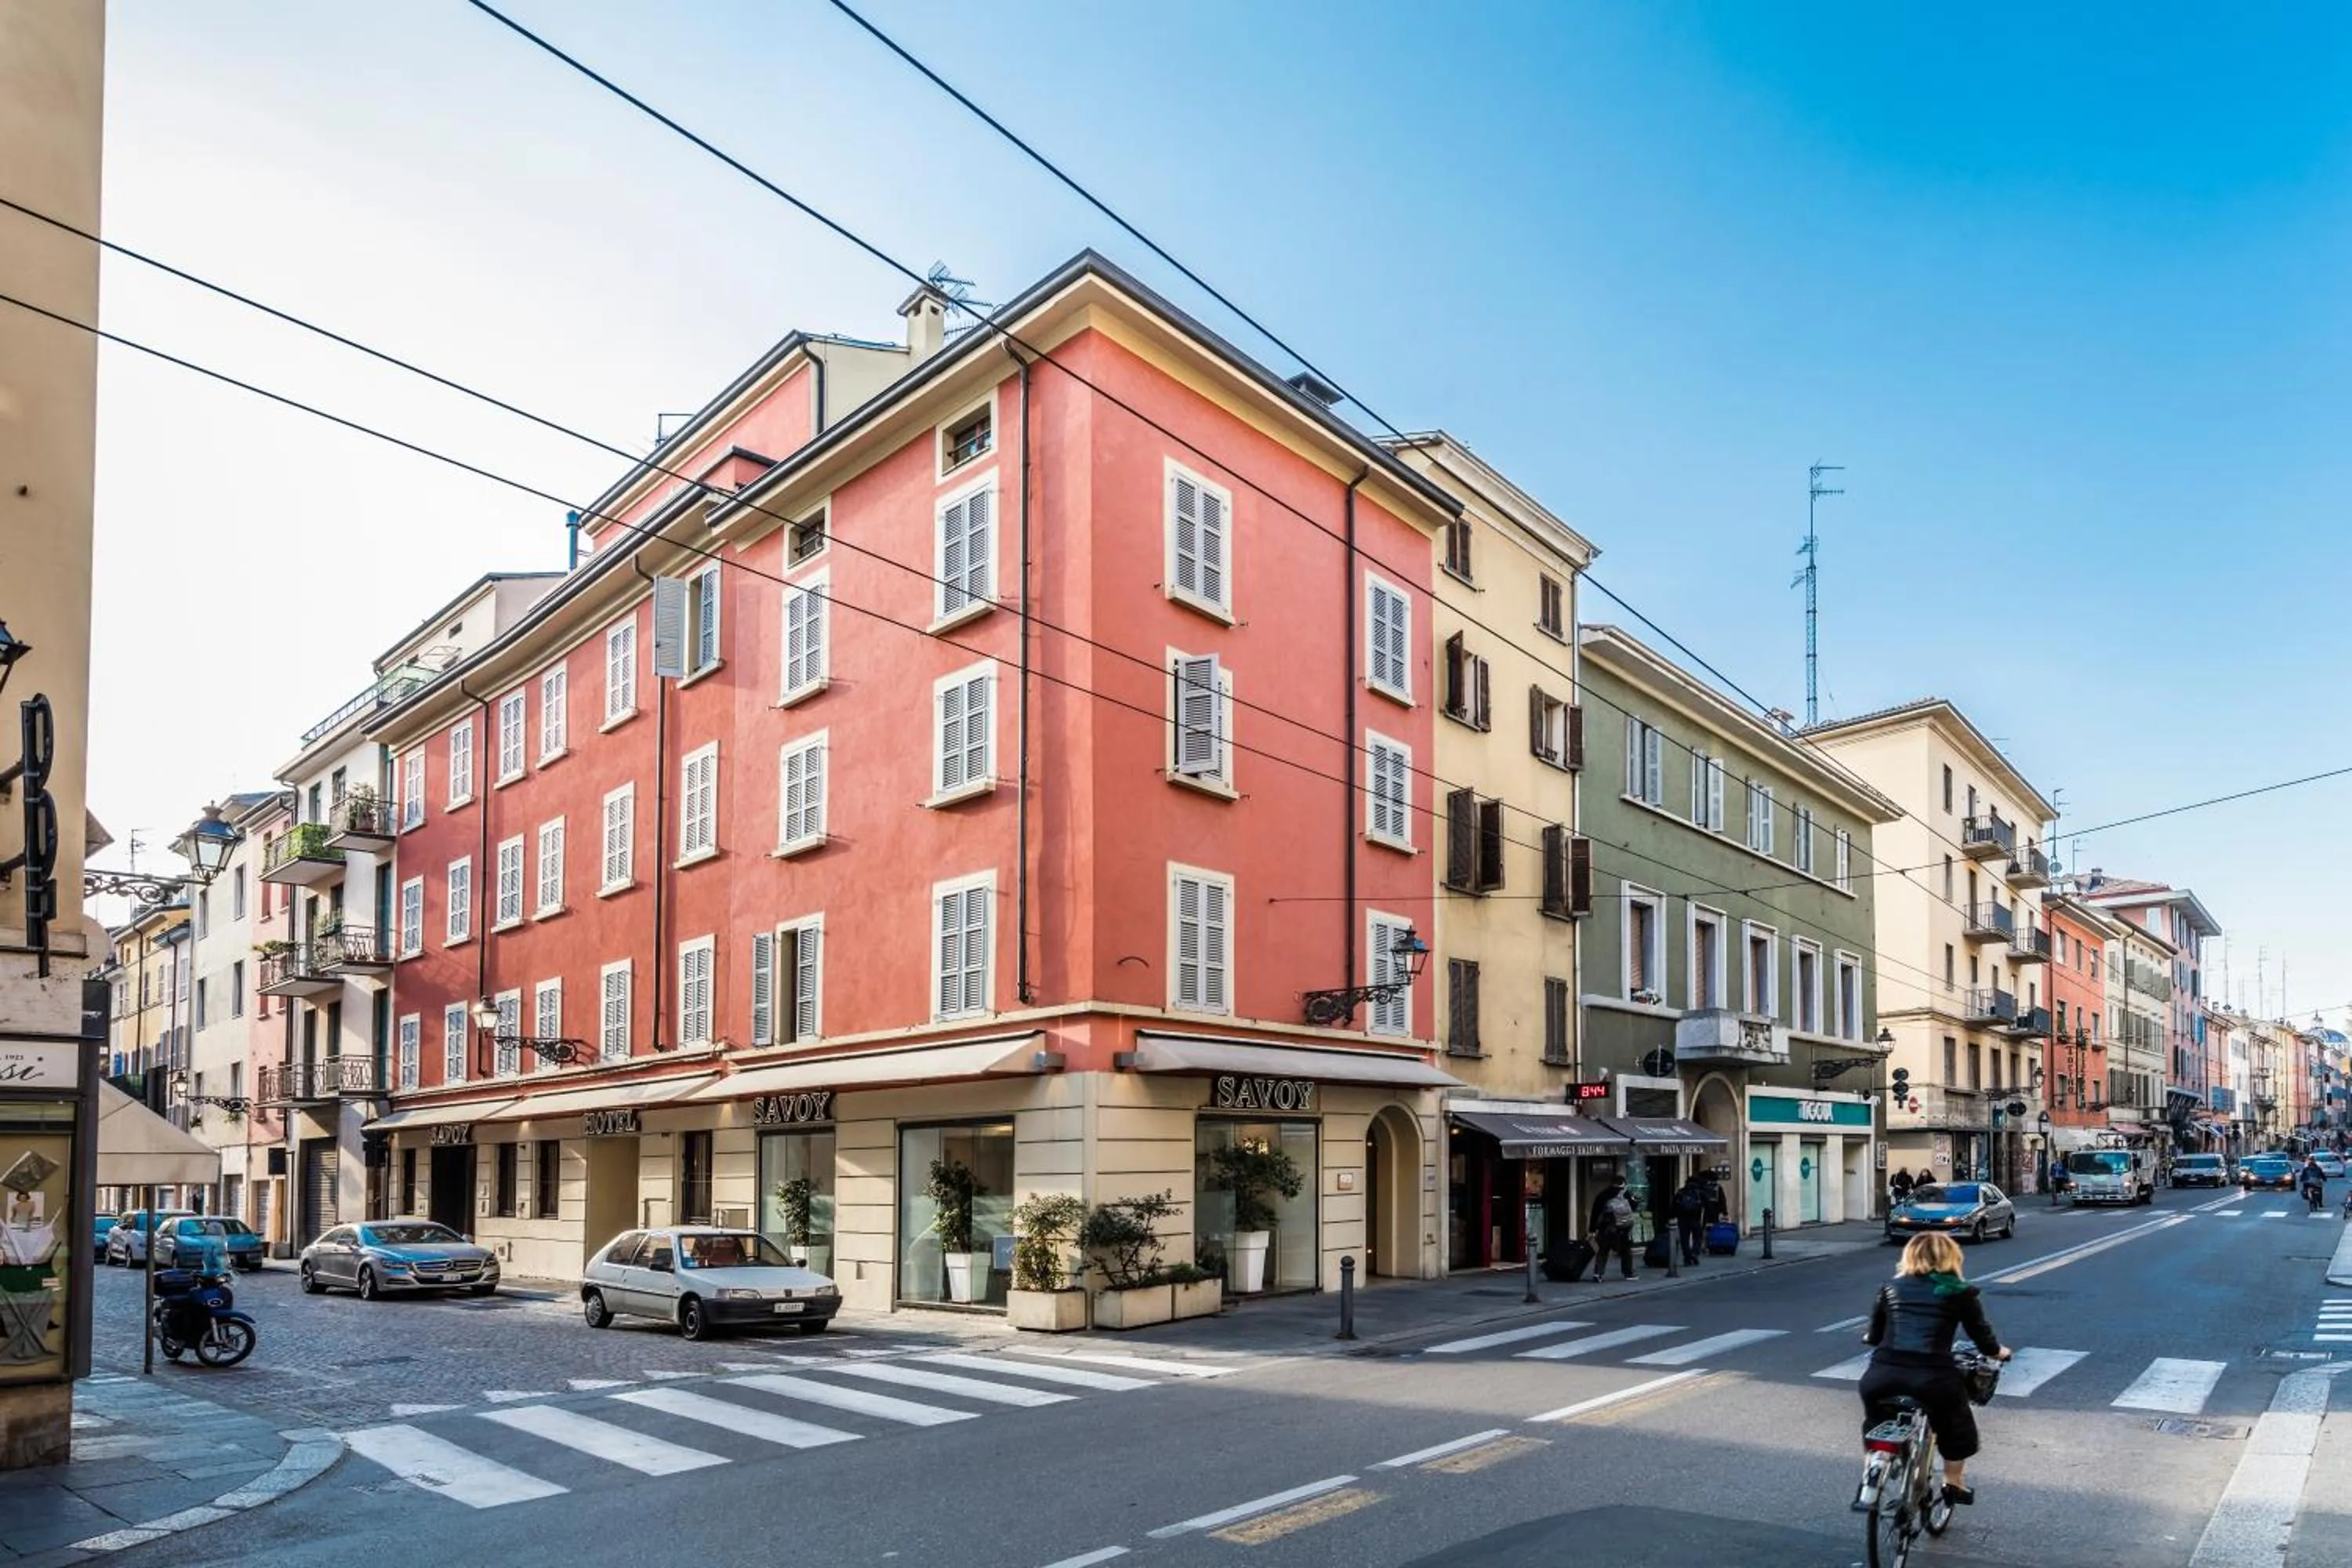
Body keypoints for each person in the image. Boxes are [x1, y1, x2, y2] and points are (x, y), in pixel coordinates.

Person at [1858, 1231, 2011, 1509]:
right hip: (1932, 1379)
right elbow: (1982, 1336)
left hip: (1881, 1377)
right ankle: (1953, 1482)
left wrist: (1871, 1337)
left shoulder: (1890, 1287)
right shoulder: (1959, 1291)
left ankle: (1875, 1464)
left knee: (1876, 1425)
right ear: (1951, 1257)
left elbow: (1875, 1335)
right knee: (1957, 1428)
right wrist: (1998, 1352)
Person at [1588, 1178, 1637, 1282]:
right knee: (1626, 1251)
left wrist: (1592, 1229)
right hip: (1622, 1228)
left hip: (1606, 1228)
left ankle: (1598, 1273)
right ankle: (1628, 1274)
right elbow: (1633, 1207)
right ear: (1623, 1184)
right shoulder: (1625, 1194)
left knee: (1603, 1251)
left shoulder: (1603, 1195)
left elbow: (1595, 1213)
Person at [1672, 1175, 1708, 1265]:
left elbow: (1674, 1206)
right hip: (1696, 1219)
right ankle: (1694, 1253)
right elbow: (1707, 1206)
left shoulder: (1681, 1192)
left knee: (1684, 1240)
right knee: (1698, 1238)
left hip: (1682, 1219)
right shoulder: (1700, 1193)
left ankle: (1687, 1257)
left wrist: (1673, 1216)